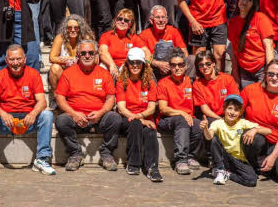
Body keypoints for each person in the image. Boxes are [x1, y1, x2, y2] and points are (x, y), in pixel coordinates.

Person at [0, 45, 56, 175]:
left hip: (28, 120)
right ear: (6, 60)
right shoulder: (0, 75)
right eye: (12, 59)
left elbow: (42, 101)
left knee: (47, 115)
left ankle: (42, 159)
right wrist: (3, 114)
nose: (15, 63)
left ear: (25, 59)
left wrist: (33, 114)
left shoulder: (33, 74)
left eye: (18, 59)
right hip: (6, 121)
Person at [54, 39, 121, 172]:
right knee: (61, 120)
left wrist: (100, 113)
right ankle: (75, 154)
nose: (87, 56)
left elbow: (110, 98)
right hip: (75, 118)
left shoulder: (104, 73)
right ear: (78, 55)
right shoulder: (68, 73)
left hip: (99, 118)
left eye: (91, 53)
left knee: (115, 118)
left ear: (96, 54)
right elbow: (60, 99)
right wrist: (74, 114)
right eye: (83, 53)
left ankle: (106, 154)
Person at [240, 59, 278, 185]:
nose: (274, 78)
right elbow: (235, 114)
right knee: (256, 140)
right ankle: (252, 165)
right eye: (271, 74)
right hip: (256, 137)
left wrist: (273, 157)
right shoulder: (250, 90)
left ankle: (266, 165)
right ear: (265, 75)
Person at [199, 94, 270, 186]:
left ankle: (228, 174)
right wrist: (205, 129)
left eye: (236, 110)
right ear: (224, 109)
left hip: (237, 159)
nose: (232, 112)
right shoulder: (218, 123)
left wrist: (255, 130)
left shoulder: (242, 122)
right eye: (230, 108)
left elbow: (268, 131)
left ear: (240, 112)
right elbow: (209, 137)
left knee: (251, 181)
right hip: (223, 155)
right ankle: (220, 169)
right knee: (214, 139)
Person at [115, 47, 163, 182]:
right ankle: (133, 163)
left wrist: (141, 117)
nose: (135, 65)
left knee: (150, 131)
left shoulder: (150, 82)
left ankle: (152, 168)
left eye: (138, 62)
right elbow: (121, 108)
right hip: (127, 119)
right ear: (127, 63)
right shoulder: (121, 82)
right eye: (132, 62)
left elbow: (151, 108)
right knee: (135, 124)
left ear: (143, 64)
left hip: (145, 118)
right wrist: (139, 119)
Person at [156, 47, 203, 175]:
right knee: (182, 120)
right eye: (173, 65)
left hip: (187, 117)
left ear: (185, 66)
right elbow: (163, 108)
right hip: (166, 119)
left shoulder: (190, 82)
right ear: (170, 67)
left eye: (180, 65)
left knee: (199, 125)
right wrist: (182, 113)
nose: (177, 68)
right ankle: (180, 160)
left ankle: (191, 156)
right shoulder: (163, 83)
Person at [227, 0, 275, 88]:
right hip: (244, 69)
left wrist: (269, 72)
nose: (245, 2)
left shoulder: (260, 18)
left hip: (262, 67)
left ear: (254, 4)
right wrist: (235, 73)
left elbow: (269, 47)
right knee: (248, 96)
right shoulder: (232, 23)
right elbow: (234, 50)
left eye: (250, 0)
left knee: (262, 95)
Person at [136, 5, 188, 81]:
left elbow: (184, 52)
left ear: (166, 20)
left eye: (163, 17)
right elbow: (141, 57)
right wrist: (157, 64)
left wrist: (173, 65)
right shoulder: (144, 35)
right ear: (151, 20)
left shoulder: (174, 31)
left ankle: (186, 83)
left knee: (191, 59)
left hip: (173, 66)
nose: (161, 20)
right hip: (153, 68)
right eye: (157, 17)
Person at [48, 14, 95, 95]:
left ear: (80, 28)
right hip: (64, 71)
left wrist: (71, 59)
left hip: (81, 70)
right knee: (54, 68)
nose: (73, 30)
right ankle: (56, 96)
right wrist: (71, 60)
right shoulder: (60, 37)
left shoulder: (86, 38)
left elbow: (95, 58)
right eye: (69, 28)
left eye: (76, 28)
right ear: (66, 29)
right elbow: (52, 58)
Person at [193, 50, 240, 123]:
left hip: (230, 115)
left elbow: (235, 101)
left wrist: (228, 118)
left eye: (208, 64)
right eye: (201, 65)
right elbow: (205, 109)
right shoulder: (197, 84)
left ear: (214, 63)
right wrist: (220, 120)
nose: (205, 67)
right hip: (212, 117)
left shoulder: (227, 79)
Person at [98, 8, 140, 80]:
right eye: (119, 19)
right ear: (115, 20)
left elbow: (146, 51)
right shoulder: (107, 36)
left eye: (126, 20)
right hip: (110, 65)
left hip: (128, 66)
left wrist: (146, 64)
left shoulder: (134, 37)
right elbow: (102, 52)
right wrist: (112, 65)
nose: (122, 22)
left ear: (130, 24)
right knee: (103, 67)